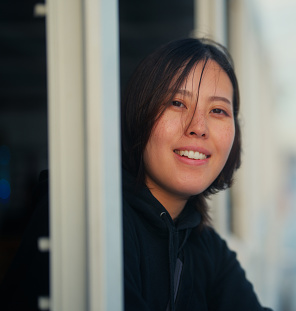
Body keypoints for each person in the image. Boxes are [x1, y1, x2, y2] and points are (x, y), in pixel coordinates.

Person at [0, 38, 271, 311]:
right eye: (176, 103)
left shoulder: (204, 247)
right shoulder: (85, 219)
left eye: (217, 110)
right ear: (138, 114)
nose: (198, 127)